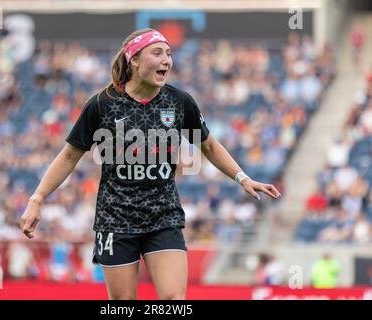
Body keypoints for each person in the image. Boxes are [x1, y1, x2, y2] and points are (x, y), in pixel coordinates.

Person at [20, 28, 281, 300]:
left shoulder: (180, 102)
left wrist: (243, 178)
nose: (166, 60)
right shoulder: (102, 104)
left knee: (173, 301)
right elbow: (69, 156)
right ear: (134, 59)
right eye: (157, 53)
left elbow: (209, 145)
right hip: (115, 218)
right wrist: (37, 198)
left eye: (169, 53)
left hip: (163, 216)